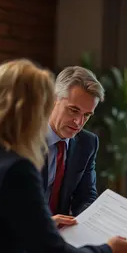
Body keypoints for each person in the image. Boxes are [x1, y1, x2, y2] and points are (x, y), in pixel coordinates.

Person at [0, 59, 127, 253]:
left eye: (87, 115)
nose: (79, 121)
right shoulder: (17, 168)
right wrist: (109, 251)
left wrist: (45, 225)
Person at [44, 66, 104, 228]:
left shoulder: (87, 143)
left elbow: (86, 197)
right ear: (54, 100)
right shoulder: (25, 138)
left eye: (86, 115)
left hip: (62, 234)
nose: (78, 122)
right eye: (73, 110)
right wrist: (42, 225)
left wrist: (90, 222)